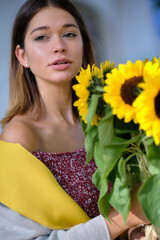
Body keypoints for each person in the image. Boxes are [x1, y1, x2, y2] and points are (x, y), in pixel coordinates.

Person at [0, 0, 149, 239]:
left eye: (69, 34)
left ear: (83, 45)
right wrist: (123, 218)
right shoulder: (18, 138)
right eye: (41, 37)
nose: (59, 46)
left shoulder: (110, 119)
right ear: (22, 55)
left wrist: (136, 230)